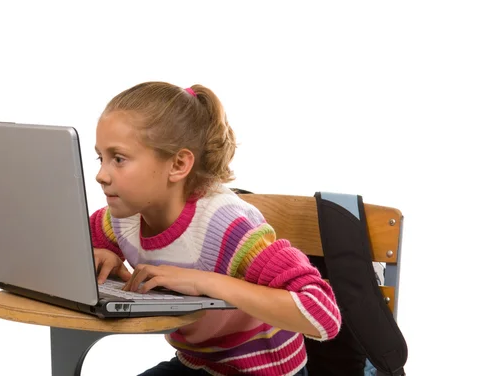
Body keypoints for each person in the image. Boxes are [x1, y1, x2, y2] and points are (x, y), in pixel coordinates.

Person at [90, 81, 341, 376]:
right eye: (101, 157)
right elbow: (83, 239)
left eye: (118, 159)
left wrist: (204, 282)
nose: (101, 175)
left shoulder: (227, 226)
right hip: (197, 365)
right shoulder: (123, 216)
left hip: (264, 371)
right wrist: (101, 251)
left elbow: (322, 313)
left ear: (178, 164)